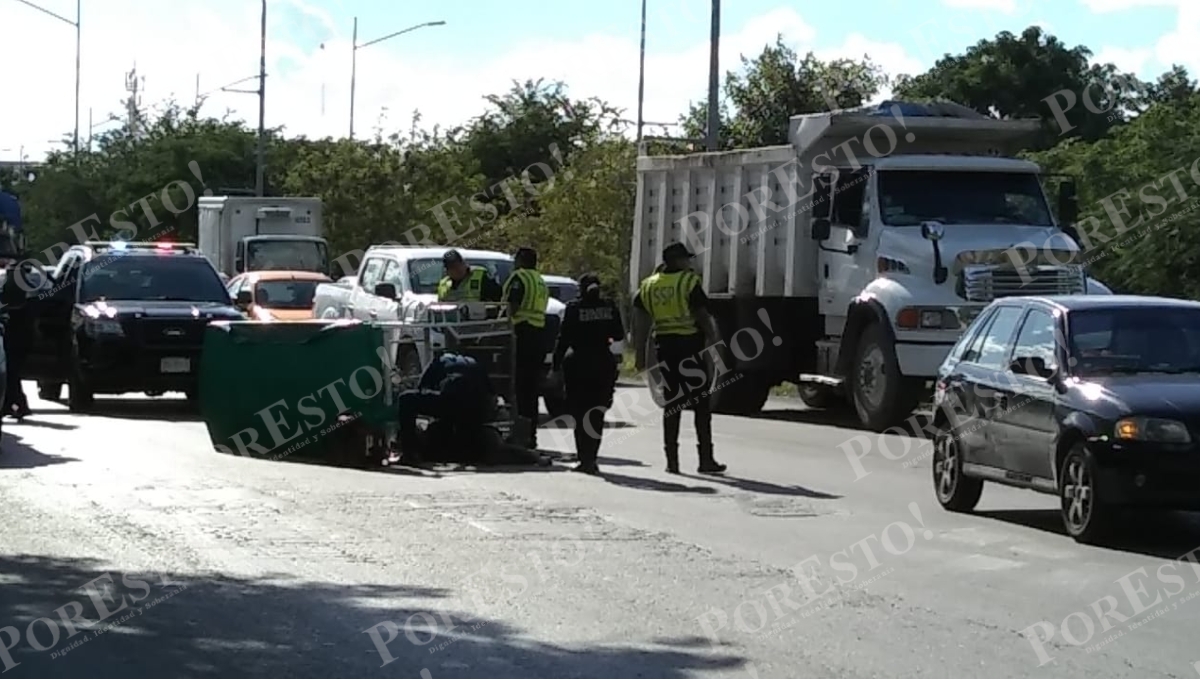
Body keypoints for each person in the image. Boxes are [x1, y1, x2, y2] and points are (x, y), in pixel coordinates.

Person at [634, 243, 726, 474]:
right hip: (690, 350)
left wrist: (640, 355)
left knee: (672, 405)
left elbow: (641, 324)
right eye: (686, 259)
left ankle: (672, 461)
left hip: (665, 349)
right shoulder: (688, 282)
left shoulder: (648, 286)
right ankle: (705, 459)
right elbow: (702, 315)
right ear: (676, 261)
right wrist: (715, 345)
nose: (689, 263)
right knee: (701, 406)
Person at [395, 351, 548, 467]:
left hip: (452, 399)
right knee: (482, 443)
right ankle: (532, 456)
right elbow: (491, 396)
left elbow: (423, 389)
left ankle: (410, 455)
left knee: (406, 399)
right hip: (477, 406)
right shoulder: (473, 363)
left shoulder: (438, 361)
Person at [553, 273, 625, 474]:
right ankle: (591, 458)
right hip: (603, 363)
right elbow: (618, 333)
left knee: (579, 413)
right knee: (597, 413)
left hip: (578, 364)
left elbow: (563, 338)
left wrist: (555, 366)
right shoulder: (609, 307)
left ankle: (584, 459)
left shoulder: (574, 308)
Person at [500, 246, 549, 450]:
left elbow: (513, 305)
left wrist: (501, 322)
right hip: (538, 335)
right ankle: (530, 435)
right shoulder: (540, 280)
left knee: (518, 387)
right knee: (531, 390)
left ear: (520, 260)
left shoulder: (519, 278)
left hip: (521, 334)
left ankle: (520, 434)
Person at [1, 263, 34, 420]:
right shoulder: (24, 299)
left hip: (16, 341)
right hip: (17, 340)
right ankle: (12, 404)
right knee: (11, 374)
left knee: (11, 374)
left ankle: (19, 404)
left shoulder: (19, 302)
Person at [437, 249, 503, 302]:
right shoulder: (444, 284)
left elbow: (498, 298)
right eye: (453, 267)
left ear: (464, 263)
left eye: (459, 265)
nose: (458, 269)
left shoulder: (481, 276)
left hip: (479, 317)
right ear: (447, 271)